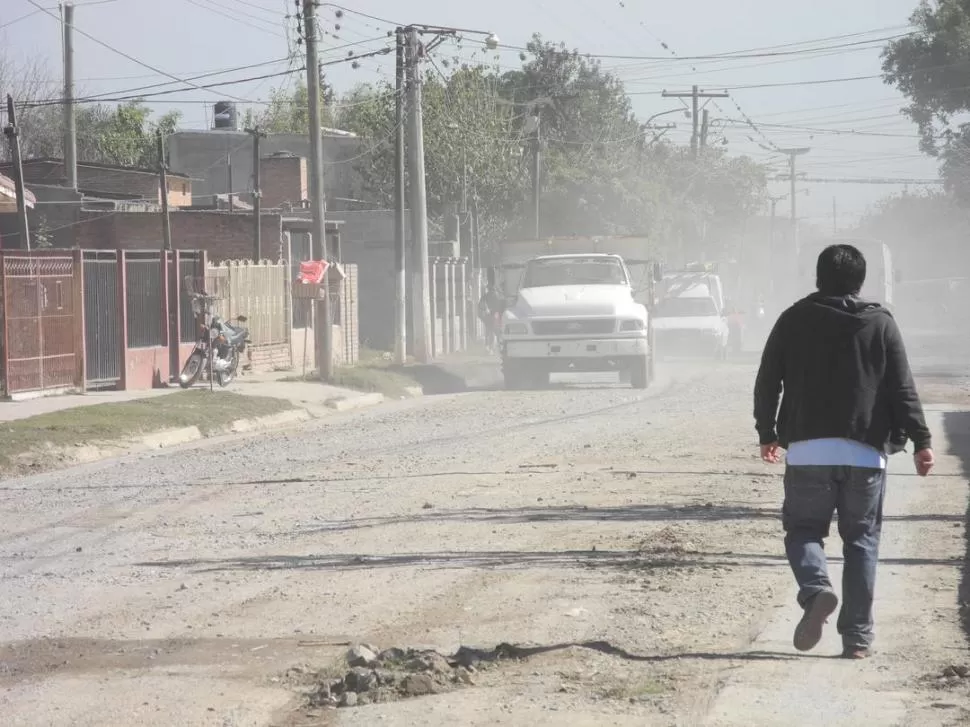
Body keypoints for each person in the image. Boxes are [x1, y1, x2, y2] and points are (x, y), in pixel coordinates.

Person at [754, 243, 934, 660]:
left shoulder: (792, 319)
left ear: (818, 278)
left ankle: (816, 589)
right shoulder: (881, 324)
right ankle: (856, 639)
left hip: (807, 452)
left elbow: (767, 381)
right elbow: (902, 388)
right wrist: (921, 441)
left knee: (803, 531)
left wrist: (767, 432)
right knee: (862, 543)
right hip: (866, 454)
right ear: (861, 280)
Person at [478, 284, 503, 353]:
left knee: (490, 332)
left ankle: (491, 347)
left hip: (491, 316)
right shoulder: (496, 296)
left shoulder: (486, 296)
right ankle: (494, 347)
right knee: (494, 332)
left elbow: (480, 306)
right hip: (493, 316)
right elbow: (500, 307)